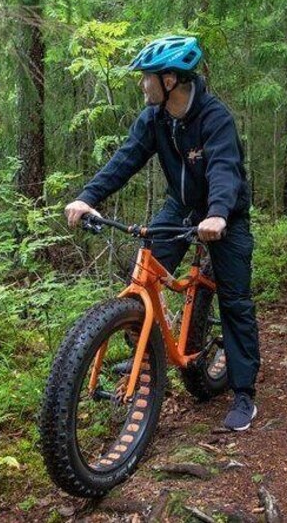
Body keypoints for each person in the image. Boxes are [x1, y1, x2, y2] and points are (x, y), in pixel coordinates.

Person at [64, 36, 260, 431]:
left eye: (146, 78)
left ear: (169, 80)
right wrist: (88, 197)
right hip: (181, 207)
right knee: (147, 268)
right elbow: (126, 159)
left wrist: (219, 214)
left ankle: (243, 393)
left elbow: (224, 168)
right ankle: (145, 350)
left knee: (235, 300)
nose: (142, 85)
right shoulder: (154, 119)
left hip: (225, 214)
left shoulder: (214, 117)